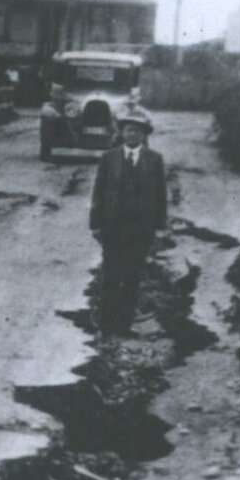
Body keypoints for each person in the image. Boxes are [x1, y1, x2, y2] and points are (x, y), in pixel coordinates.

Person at [88, 108, 168, 334]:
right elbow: (99, 192)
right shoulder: (109, 158)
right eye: (129, 130)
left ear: (144, 135)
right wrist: (95, 224)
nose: (133, 135)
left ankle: (124, 325)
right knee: (110, 275)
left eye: (138, 131)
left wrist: (159, 228)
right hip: (113, 226)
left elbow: (160, 195)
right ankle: (106, 324)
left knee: (132, 277)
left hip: (140, 229)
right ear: (122, 133)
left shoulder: (154, 159)